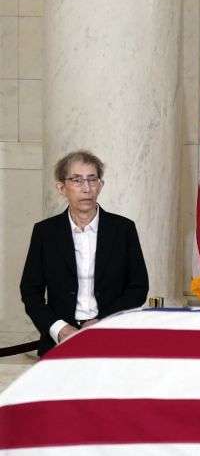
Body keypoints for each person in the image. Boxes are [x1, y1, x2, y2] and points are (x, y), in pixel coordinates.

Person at [20, 150, 149, 355]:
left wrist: (101, 322)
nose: (86, 188)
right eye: (77, 180)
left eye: (92, 179)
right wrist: (60, 329)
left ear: (101, 185)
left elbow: (138, 287)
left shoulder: (123, 229)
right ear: (62, 187)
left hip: (112, 337)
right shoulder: (45, 232)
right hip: (59, 341)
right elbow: (30, 291)